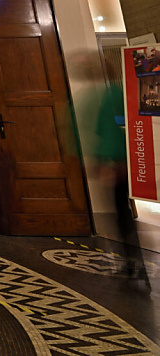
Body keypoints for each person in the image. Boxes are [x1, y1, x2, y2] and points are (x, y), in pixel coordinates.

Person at [94, 59, 150, 286]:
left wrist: (110, 161)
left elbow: (112, 130)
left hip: (121, 163)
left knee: (123, 214)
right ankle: (132, 262)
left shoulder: (113, 96)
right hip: (125, 161)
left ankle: (134, 262)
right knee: (122, 213)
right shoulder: (115, 95)